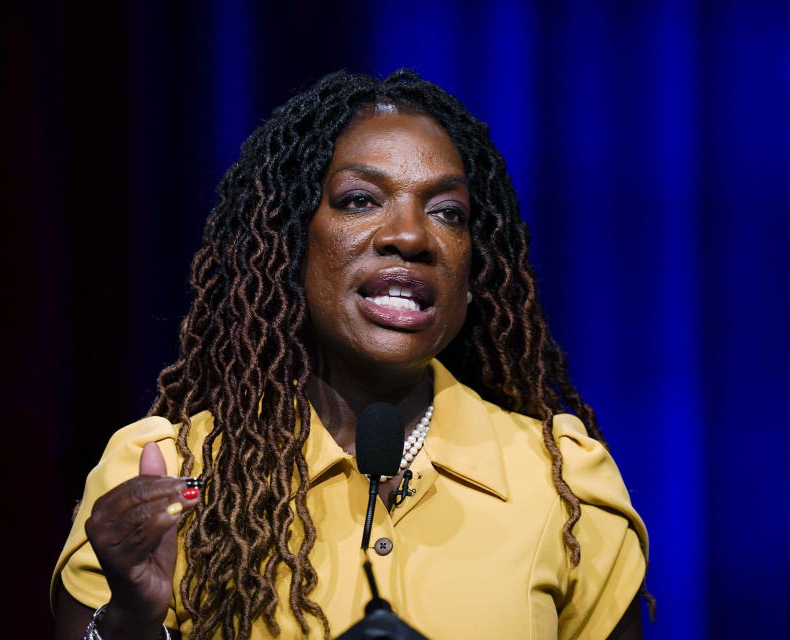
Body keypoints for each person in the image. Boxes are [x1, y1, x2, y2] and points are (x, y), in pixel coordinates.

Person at [52, 69, 649, 640]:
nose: (411, 236)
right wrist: (131, 620)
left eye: (448, 213)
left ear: (474, 272)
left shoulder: (564, 482)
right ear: (289, 245)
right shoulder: (165, 473)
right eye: (361, 200)